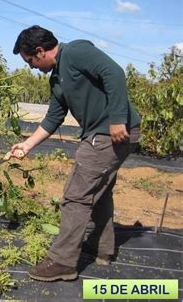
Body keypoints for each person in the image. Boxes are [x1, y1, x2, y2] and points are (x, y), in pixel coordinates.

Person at [10, 25, 141, 282]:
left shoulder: (76, 52)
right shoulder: (56, 79)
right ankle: (101, 250)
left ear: (40, 51)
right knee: (98, 194)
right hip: (101, 133)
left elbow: (114, 73)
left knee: (76, 196)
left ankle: (62, 262)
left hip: (109, 133)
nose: (31, 67)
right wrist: (27, 145)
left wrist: (116, 118)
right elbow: (53, 118)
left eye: (30, 61)